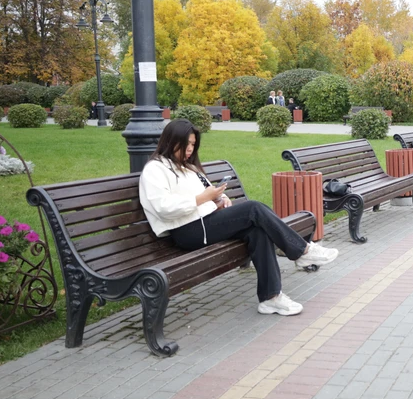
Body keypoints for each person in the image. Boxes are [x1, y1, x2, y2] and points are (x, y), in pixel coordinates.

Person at [138, 120, 338, 317]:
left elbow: (209, 192)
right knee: (254, 209)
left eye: (193, 144)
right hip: (187, 231)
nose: (190, 149)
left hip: (206, 223)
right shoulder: (155, 169)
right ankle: (302, 250)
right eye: (186, 144)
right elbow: (163, 208)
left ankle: (271, 298)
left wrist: (221, 198)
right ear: (170, 141)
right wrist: (203, 199)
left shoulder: (188, 167)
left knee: (257, 231)